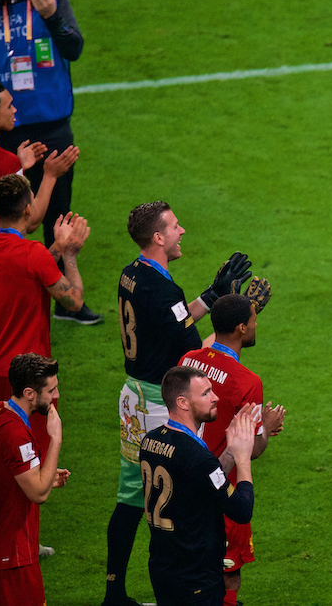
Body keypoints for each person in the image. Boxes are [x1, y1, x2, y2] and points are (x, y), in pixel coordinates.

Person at [104, 200, 251, 606]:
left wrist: (211, 295)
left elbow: (173, 319)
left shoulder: (132, 274)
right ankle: (187, 582)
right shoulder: (164, 287)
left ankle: (114, 590)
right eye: (174, 226)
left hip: (132, 393)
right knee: (181, 492)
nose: (182, 231)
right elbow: (192, 359)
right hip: (160, 400)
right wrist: (230, 332)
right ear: (158, 237)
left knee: (131, 496)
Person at [0, 0, 92, 324]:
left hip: (53, 122)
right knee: (2, 216)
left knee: (57, 211)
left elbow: (74, 47)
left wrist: (52, 15)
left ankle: (62, 299)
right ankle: (2, 300)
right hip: (4, 128)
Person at [179, 292, 283, 606]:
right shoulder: (247, 381)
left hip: (182, 476)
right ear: (240, 328)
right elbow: (250, 449)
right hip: (221, 485)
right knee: (228, 572)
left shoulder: (189, 360)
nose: (255, 326)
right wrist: (268, 425)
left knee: (190, 563)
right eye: (253, 321)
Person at [0, 173, 87, 454]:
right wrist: (70, 255)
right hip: (31, 379)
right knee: (31, 463)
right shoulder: (32, 253)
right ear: (28, 209)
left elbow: (27, 271)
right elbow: (73, 301)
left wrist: (56, 249)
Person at [0, 78, 75, 368]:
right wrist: (49, 176)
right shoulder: (3, 161)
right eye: (8, 105)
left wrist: (20, 166)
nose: (14, 110)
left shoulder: (7, 161)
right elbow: (30, 221)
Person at [140, 365, 255, 606]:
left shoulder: (150, 441)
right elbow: (242, 511)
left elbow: (199, 480)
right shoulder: (196, 457)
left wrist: (231, 450)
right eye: (205, 393)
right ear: (182, 402)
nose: (215, 397)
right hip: (196, 579)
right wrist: (243, 458)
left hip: (163, 569)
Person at [0, 352, 70, 606]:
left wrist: (44, 477)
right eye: (51, 390)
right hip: (10, 553)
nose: (56, 396)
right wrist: (55, 440)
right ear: (30, 393)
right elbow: (38, 494)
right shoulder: (16, 433)